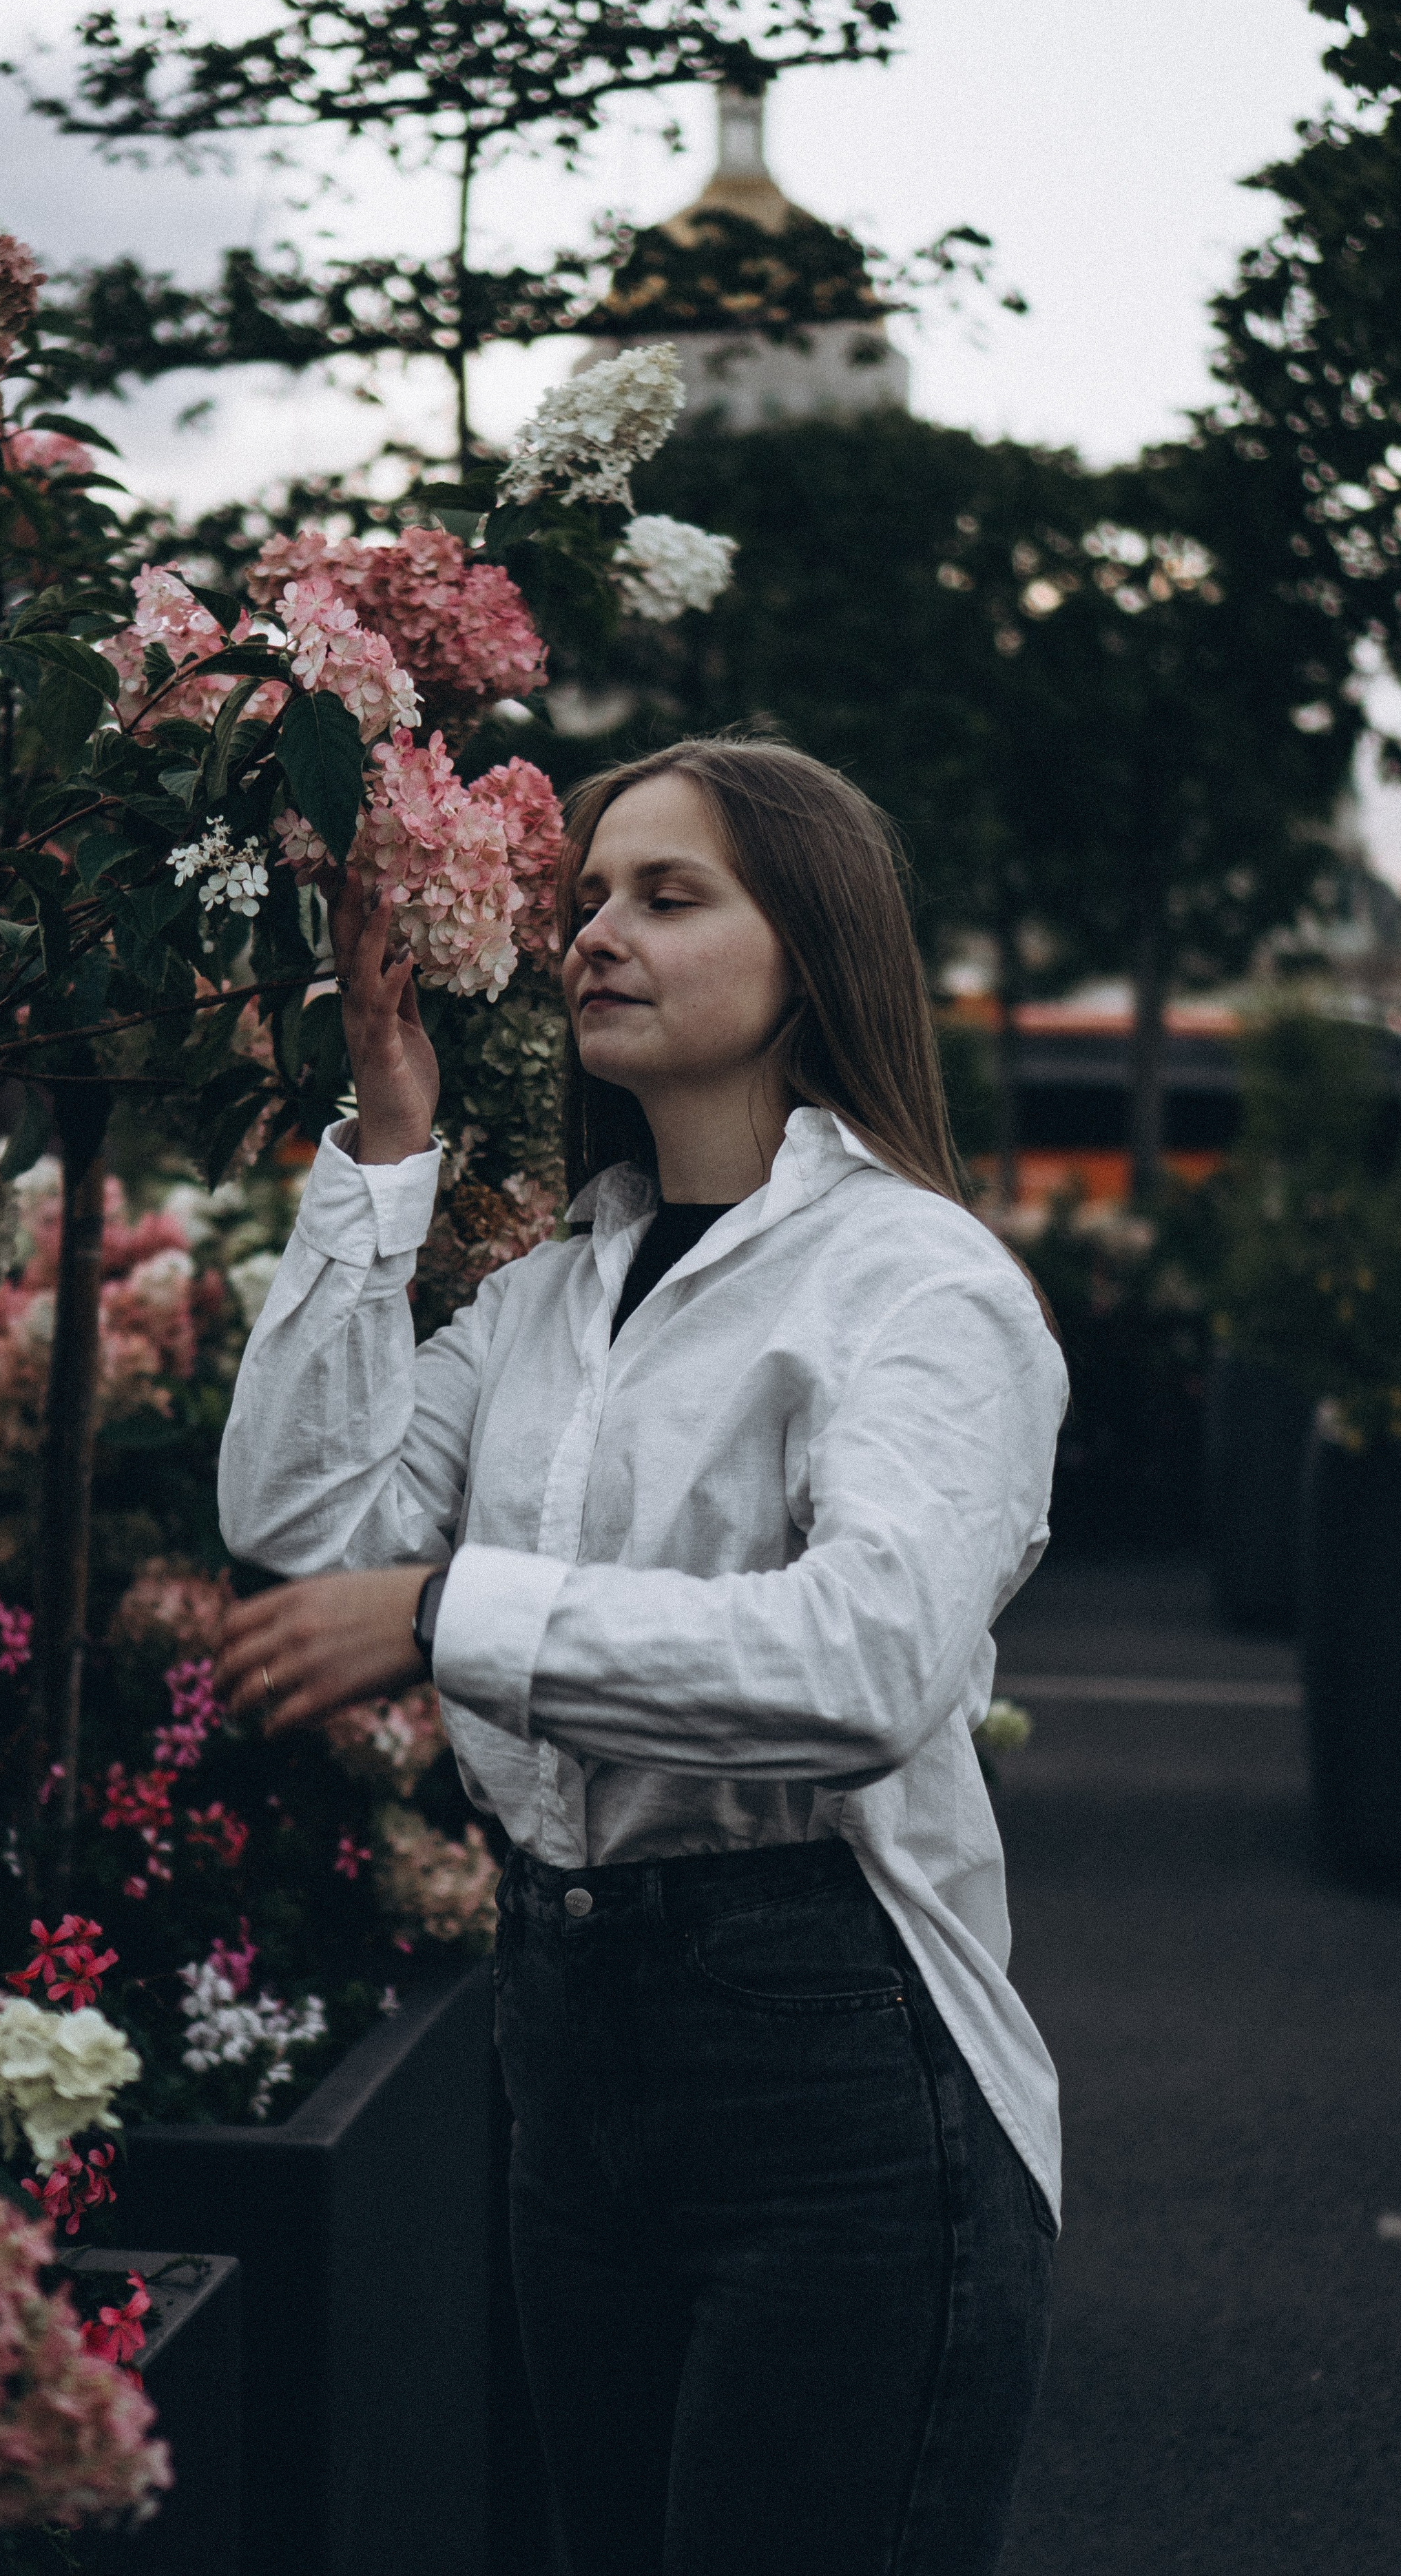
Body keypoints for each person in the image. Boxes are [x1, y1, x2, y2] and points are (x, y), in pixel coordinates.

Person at [214, 736, 1069, 2576]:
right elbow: (303, 1531)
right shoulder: (545, 1302)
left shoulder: (918, 1289)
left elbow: (869, 1664)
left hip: (835, 2060)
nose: (598, 931)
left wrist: (453, 1619)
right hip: (568, 2031)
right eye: (591, 895)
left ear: (811, 955)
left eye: (669, 897)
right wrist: (382, 1140)